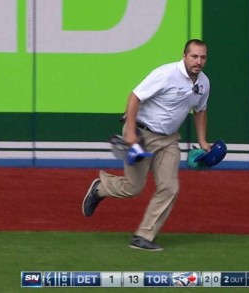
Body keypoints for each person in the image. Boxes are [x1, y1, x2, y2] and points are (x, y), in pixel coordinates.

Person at [82, 39, 212, 251]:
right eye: (194, 56)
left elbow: (200, 110)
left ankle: (143, 236)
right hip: (142, 134)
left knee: (170, 188)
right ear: (185, 56)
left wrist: (203, 140)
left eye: (202, 57)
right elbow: (135, 97)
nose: (198, 61)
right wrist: (131, 131)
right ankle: (101, 188)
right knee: (133, 188)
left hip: (168, 140)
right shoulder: (165, 74)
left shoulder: (204, 83)